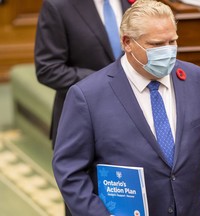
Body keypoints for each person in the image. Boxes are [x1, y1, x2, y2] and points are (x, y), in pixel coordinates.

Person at [52, 0, 200, 215]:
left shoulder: (196, 79)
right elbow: (70, 173)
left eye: (172, 41)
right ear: (127, 42)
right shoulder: (88, 95)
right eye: (156, 44)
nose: (168, 51)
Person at [34, 0, 132, 215]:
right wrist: (105, 81)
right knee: (83, 201)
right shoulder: (58, 5)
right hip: (82, 125)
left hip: (132, 123)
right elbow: (48, 69)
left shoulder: (134, 3)